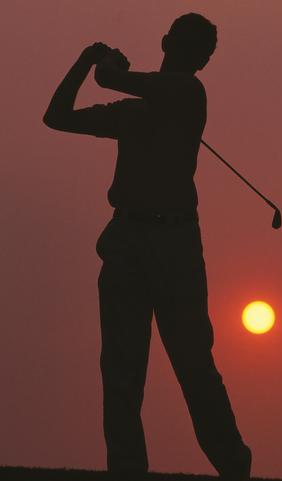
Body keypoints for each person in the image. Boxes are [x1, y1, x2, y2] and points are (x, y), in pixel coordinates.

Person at [43, 12, 252, 481]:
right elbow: (55, 117)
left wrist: (104, 64)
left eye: (200, 51)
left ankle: (234, 466)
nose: (193, 55)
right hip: (127, 243)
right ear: (167, 42)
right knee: (121, 373)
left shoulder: (188, 93)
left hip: (175, 245)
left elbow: (112, 79)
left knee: (194, 367)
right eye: (187, 44)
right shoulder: (132, 111)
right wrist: (82, 62)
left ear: (203, 62)